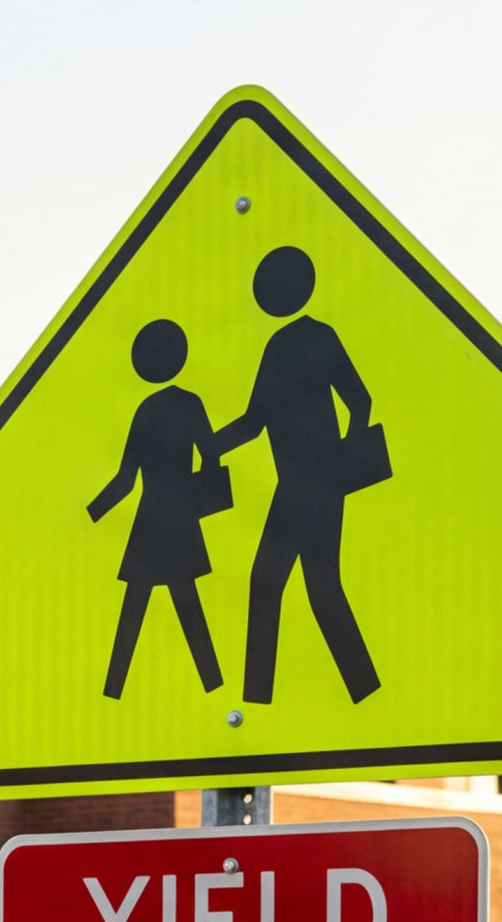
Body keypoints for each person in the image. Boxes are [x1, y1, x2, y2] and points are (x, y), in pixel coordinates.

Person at [210, 245, 383, 705]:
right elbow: (257, 421)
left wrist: (341, 463)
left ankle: (273, 696)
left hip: (312, 486)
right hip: (301, 486)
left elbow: (358, 400)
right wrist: (209, 446)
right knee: (298, 585)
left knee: (292, 584)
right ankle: (353, 689)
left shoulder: (309, 339)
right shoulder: (286, 344)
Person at [87, 318, 227, 698]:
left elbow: (126, 480)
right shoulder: (190, 403)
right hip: (179, 519)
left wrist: (92, 512)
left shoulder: (146, 410)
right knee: (185, 602)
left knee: (137, 606)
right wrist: (199, 492)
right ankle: (213, 685)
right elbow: (211, 455)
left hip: (150, 522)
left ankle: (114, 689)